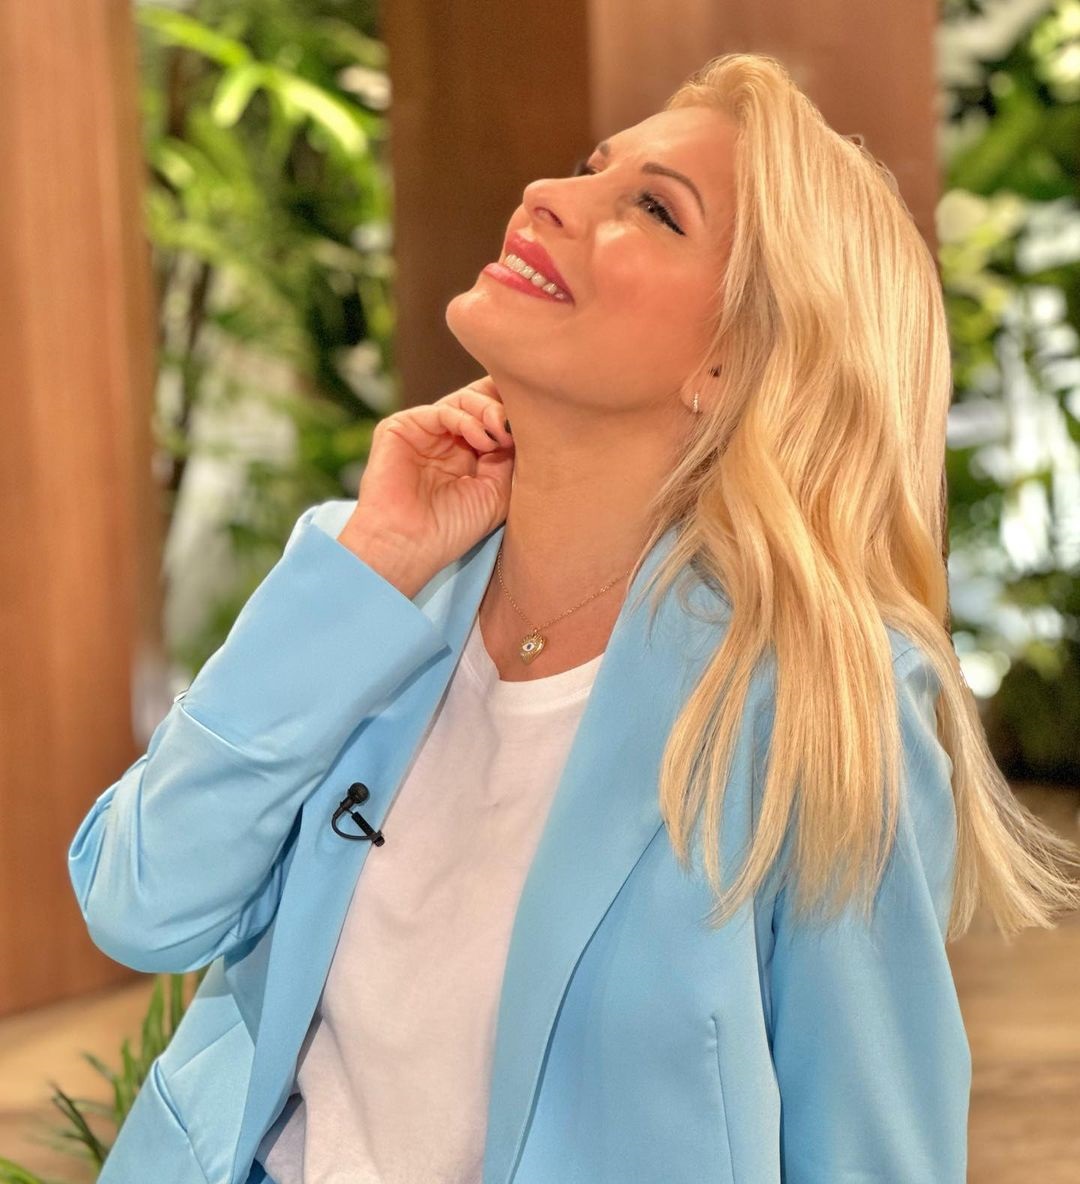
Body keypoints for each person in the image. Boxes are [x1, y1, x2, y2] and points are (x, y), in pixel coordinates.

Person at [68, 51, 1080, 1184]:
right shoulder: (373, 589)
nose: (548, 195)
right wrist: (373, 563)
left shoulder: (823, 700)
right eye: (592, 167)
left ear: (735, 358)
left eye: (654, 209)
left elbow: (872, 1152)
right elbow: (140, 904)